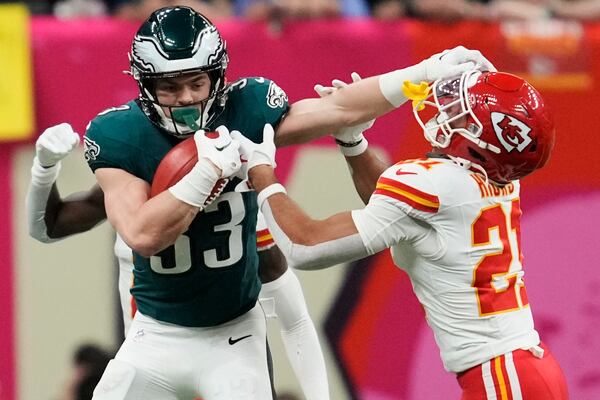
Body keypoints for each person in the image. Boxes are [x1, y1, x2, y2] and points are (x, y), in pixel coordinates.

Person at [55, 5, 493, 398]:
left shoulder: (244, 112)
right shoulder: (121, 135)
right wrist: (207, 172)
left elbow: (337, 109)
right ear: (145, 84)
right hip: (156, 334)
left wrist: (426, 72)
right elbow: (141, 233)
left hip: (234, 336)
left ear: (218, 77)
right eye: (169, 86)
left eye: (196, 82)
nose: (187, 98)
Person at [243, 69, 569, 399]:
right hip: (525, 368)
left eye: (463, 116)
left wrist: (262, 175)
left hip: (502, 377)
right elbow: (394, 211)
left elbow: (306, 246)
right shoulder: (498, 175)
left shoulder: (433, 184)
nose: (446, 112)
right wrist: (352, 141)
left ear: (480, 143)